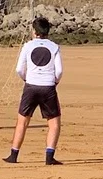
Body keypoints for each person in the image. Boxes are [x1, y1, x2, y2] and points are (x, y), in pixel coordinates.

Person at [4, 17, 63, 166]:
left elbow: (19, 69)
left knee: (22, 121)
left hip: (31, 86)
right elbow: (59, 71)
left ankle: (13, 155)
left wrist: (27, 78)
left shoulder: (27, 46)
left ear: (34, 31)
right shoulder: (54, 47)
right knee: (54, 123)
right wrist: (54, 82)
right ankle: (49, 156)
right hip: (48, 86)